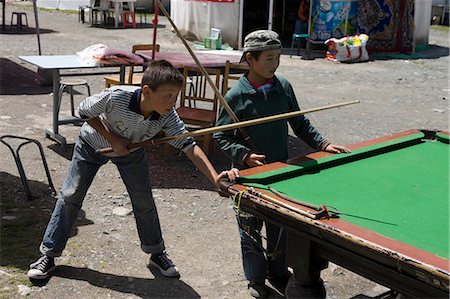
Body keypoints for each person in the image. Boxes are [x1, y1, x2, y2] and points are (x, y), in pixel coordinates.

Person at [27, 60, 239, 280]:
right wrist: (112, 138)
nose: (172, 101)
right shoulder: (117, 96)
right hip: (91, 146)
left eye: (175, 95)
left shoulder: (166, 113)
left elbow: (189, 146)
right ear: (147, 90)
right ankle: (49, 255)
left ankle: (156, 253)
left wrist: (215, 178)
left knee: (143, 200)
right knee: (71, 195)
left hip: (131, 152)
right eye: (168, 95)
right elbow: (83, 111)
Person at [213, 30, 350, 298]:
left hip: (280, 174)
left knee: (280, 227)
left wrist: (322, 144)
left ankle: (277, 272)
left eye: (277, 58)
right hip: (247, 178)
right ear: (249, 59)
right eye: (268, 58)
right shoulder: (235, 98)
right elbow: (221, 135)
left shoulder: (282, 87)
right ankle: (255, 280)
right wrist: (243, 155)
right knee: (250, 231)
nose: (274, 64)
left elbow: (299, 122)